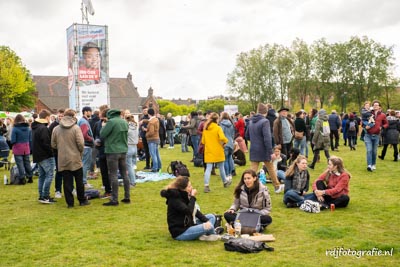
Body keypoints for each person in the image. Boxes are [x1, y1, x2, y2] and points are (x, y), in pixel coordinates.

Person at [160, 176, 219, 241]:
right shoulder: (175, 199)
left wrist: (206, 220)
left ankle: (204, 234)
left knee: (211, 217)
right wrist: (192, 197)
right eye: (189, 186)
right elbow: (188, 211)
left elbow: (195, 211)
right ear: (183, 189)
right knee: (208, 226)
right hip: (181, 231)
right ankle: (213, 235)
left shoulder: (183, 195)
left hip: (189, 224)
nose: (192, 188)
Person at [51, 109, 89, 208]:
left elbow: (53, 144)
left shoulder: (56, 129)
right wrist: (80, 152)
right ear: (73, 116)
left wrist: (61, 149)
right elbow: (81, 143)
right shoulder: (76, 128)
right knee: (79, 181)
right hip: (75, 157)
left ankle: (70, 203)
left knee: (66, 182)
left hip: (62, 158)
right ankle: (82, 200)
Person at [246, 103, 284, 193]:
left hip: (254, 149)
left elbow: (247, 135)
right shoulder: (265, 121)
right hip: (264, 149)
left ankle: (248, 187)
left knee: (252, 170)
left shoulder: (251, 121)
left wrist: (254, 141)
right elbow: (267, 138)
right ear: (266, 112)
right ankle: (277, 186)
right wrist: (270, 152)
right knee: (270, 168)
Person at [100, 109, 130, 206]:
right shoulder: (124, 121)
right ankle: (127, 196)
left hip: (112, 151)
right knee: (125, 174)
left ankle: (114, 199)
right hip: (123, 150)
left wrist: (103, 126)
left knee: (113, 175)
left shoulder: (111, 122)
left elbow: (102, 134)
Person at [201, 112, 231, 193]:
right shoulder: (218, 128)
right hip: (218, 150)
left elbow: (203, 141)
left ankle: (206, 185)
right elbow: (223, 138)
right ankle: (225, 182)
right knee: (221, 168)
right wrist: (225, 142)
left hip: (209, 151)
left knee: (208, 168)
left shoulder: (205, 129)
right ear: (217, 119)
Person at [31, 109, 56, 204]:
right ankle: (45, 196)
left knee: (42, 176)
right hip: (44, 155)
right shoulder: (43, 128)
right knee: (49, 174)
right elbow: (46, 143)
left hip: (37, 155)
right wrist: (51, 153)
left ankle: (41, 195)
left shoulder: (35, 127)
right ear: (47, 117)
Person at [364, 100, 388, 172]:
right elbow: (362, 121)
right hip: (368, 134)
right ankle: (369, 165)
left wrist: (382, 127)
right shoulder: (368, 113)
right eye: (374, 105)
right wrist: (365, 126)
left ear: (379, 106)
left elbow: (386, 124)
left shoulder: (383, 115)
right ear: (372, 106)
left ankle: (373, 164)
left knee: (374, 151)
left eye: (377, 105)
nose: (375, 106)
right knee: (369, 150)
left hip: (377, 135)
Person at [11, 114, 33, 185]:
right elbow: (30, 139)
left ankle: (22, 178)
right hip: (26, 147)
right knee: (27, 163)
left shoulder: (15, 128)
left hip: (18, 147)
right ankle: (30, 177)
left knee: (20, 164)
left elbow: (13, 140)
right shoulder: (28, 128)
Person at [48, 108, 65, 199]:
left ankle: (71, 188)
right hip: (57, 152)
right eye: (59, 116)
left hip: (67, 152)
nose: (61, 117)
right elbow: (51, 140)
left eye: (62, 116)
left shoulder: (68, 125)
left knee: (68, 171)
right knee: (59, 171)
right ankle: (58, 190)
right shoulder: (53, 126)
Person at [77, 106, 94, 188]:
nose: (91, 113)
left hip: (84, 146)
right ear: (86, 112)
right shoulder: (84, 122)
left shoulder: (82, 120)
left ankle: (83, 181)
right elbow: (84, 135)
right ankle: (83, 182)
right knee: (85, 164)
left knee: (83, 164)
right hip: (86, 146)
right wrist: (92, 139)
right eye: (90, 111)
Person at [144, 108, 162, 172]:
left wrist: (146, 134)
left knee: (153, 154)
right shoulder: (156, 119)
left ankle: (155, 168)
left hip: (152, 140)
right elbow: (149, 121)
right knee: (157, 154)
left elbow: (151, 132)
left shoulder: (151, 122)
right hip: (157, 138)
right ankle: (159, 167)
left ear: (148, 114)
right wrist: (144, 121)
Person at [219, 112, 235, 181]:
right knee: (229, 158)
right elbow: (233, 134)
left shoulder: (221, 124)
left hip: (225, 143)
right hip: (231, 142)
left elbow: (221, 134)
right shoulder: (231, 124)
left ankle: (227, 174)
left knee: (225, 160)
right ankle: (231, 173)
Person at [126, 114, 139, 186]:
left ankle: (132, 182)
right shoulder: (136, 126)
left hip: (129, 146)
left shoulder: (127, 127)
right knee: (133, 165)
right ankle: (133, 178)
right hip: (135, 147)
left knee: (129, 166)